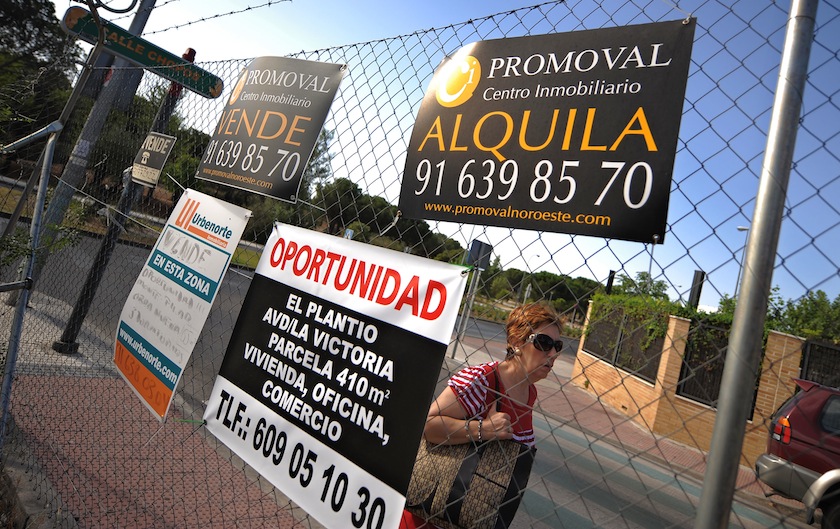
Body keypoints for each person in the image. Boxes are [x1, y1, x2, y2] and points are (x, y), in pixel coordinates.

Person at [401, 301, 565, 528]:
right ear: (516, 342)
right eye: (543, 342)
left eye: (558, 345)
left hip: (470, 515)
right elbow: (428, 425)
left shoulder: (529, 392)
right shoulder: (482, 379)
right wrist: (483, 429)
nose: (553, 353)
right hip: (428, 517)